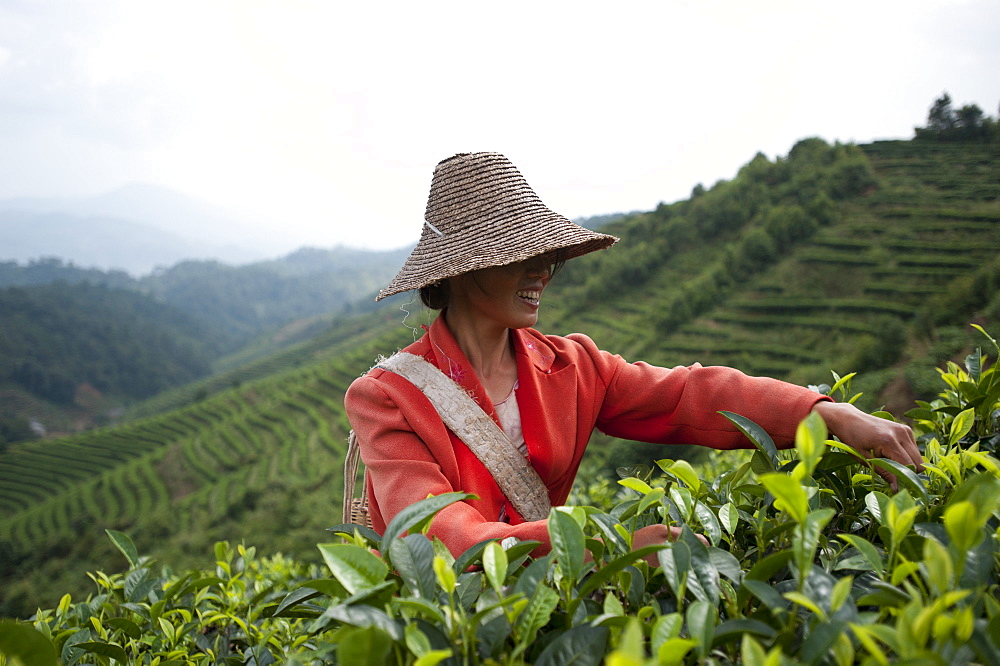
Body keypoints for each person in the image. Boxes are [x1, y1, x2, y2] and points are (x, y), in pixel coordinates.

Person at [344, 152, 923, 558]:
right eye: (521, 254)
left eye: (548, 255)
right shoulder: (388, 400)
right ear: (466, 267)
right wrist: (607, 547)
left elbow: (686, 396)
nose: (543, 270)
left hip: (549, 602)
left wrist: (824, 414)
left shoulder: (571, 366)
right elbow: (438, 541)